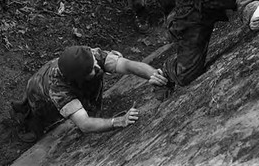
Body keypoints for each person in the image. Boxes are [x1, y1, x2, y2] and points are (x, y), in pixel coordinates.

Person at [11, 45, 168, 143]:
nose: (97, 68)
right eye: (92, 69)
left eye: (95, 64)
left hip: (69, 78)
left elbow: (127, 65)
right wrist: (119, 121)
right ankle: (25, 122)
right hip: (39, 93)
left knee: (92, 92)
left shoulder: (88, 57)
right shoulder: (58, 89)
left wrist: (154, 74)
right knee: (43, 118)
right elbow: (84, 124)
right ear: (79, 77)